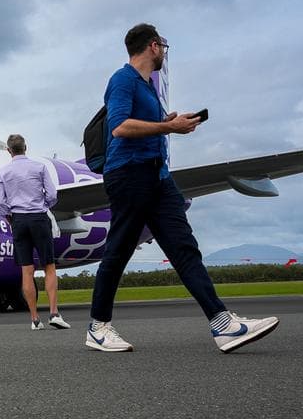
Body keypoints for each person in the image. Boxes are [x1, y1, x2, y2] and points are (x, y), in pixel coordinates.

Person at [86, 23, 278, 353]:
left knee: (183, 247)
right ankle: (98, 327)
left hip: (159, 178)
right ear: (153, 47)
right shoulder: (123, 79)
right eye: (163, 46)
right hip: (129, 176)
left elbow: (147, 127)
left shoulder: (146, 88)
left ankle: (223, 325)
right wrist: (168, 126)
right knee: (118, 251)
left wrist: (168, 122)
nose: (164, 52)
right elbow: (118, 127)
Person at [0, 134, 68, 331]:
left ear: (8, 151)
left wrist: (11, 219)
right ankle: (54, 313)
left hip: (18, 220)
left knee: (26, 271)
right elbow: (52, 195)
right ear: (25, 147)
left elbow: (1, 204)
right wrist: (43, 206)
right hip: (38, 217)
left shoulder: (3, 172)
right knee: (49, 266)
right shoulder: (39, 167)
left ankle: (35, 320)